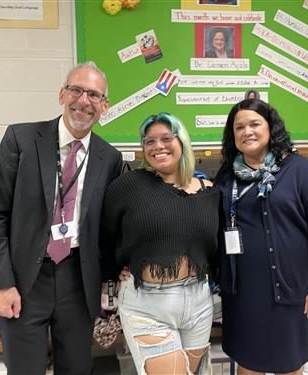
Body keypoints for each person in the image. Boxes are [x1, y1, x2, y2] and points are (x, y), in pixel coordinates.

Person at [0, 62, 122, 375]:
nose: (84, 101)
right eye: (77, 90)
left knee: (76, 368)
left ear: (104, 106)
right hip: (24, 279)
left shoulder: (109, 158)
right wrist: (0, 284)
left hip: (78, 278)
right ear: (62, 94)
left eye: (94, 95)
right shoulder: (21, 139)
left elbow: (109, 227)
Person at [215, 96, 308, 375]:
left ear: (270, 128)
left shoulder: (298, 170)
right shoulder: (227, 175)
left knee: (288, 365)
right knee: (247, 364)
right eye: (239, 127)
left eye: (255, 124)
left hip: (288, 290)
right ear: (232, 135)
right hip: (242, 292)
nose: (247, 132)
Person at [101, 113, 220, 375]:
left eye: (166, 138)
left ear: (183, 142)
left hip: (199, 303)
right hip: (148, 304)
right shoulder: (129, 186)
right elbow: (104, 235)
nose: (158, 146)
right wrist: (115, 271)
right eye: (149, 141)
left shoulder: (209, 190)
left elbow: (216, 247)